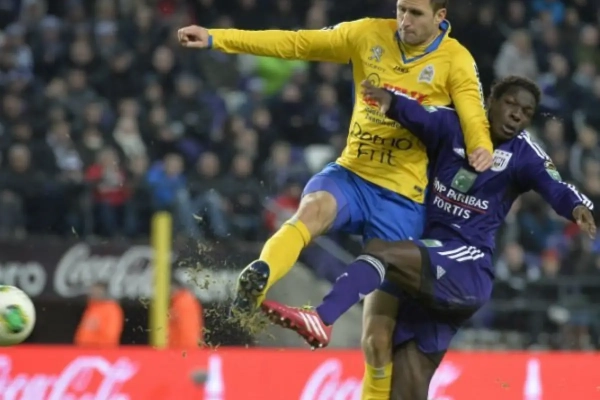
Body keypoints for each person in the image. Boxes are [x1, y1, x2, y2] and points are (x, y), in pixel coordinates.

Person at [179, 1, 494, 397]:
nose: (404, 20)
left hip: (403, 200)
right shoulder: (367, 34)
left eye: (415, 13)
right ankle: (259, 276)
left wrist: (481, 146)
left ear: (440, 17)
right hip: (352, 174)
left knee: (377, 340)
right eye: (401, 9)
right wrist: (215, 38)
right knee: (310, 211)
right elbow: (296, 43)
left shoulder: (456, 60)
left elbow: (473, 113)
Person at [262, 76, 596, 398]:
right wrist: (389, 100)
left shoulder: (525, 154)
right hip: (427, 272)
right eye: (511, 104)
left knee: (381, 250)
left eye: (525, 112)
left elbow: (556, 186)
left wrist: (577, 206)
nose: (516, 115)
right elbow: (419, 114)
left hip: (465, 265)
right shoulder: (453, 124)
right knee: (405, 390)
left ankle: (322, 318)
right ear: (490, 101)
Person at [74, 282, 124, 347]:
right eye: (93, 290)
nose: (93, 293)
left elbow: (110, 335)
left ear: (104, 292)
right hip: (84, 349)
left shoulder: (111, 308)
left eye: (97, 291)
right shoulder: (92, 307)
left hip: (101, 350)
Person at [168, 280, 204, 349]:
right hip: (190, 346)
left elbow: (184, 328)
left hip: (182, 347)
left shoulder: (180, 302)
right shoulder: (188, 300)